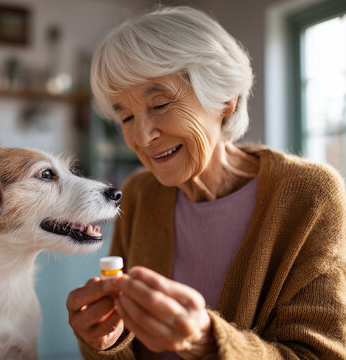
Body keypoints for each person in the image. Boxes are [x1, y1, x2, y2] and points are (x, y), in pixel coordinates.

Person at [66, 6, 346, 360]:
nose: (141, 136)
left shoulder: (311, 195)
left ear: (225, 97)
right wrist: (104, 342)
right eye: (126, 116)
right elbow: (124, 344)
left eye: (161, 104)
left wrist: (206, 342)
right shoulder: (139, 194)